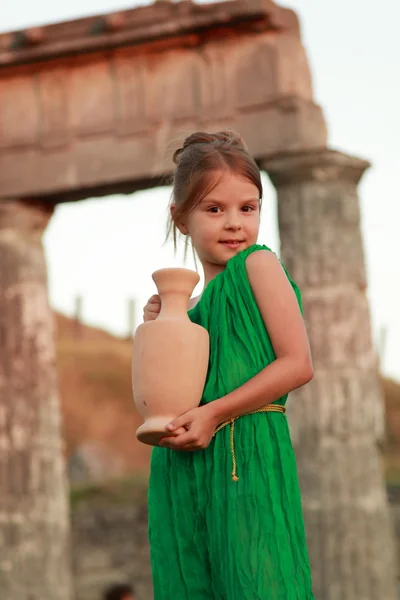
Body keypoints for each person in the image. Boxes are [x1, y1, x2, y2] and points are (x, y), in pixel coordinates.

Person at [143, 131, 315, 599]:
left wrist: (215, 413)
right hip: (184, 469)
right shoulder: (189, 310)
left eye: (248, 207)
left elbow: (297, 364)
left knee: (259, 584)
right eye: (214, 209)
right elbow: (158, 402)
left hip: (248, 457)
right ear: (180, 218)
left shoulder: (259, 266)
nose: (235, 223)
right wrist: (157, 331)